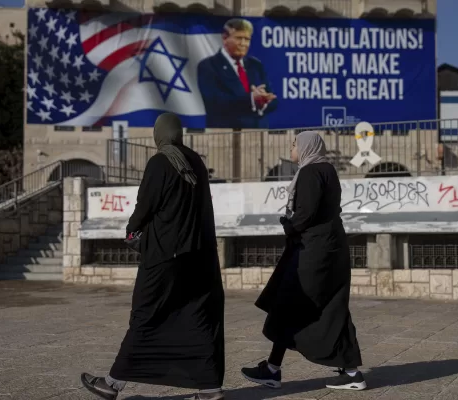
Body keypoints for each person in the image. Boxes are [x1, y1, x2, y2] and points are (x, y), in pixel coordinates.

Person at [80, 113, 225, 400]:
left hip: (164, 254)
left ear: (159, 134)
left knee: (145, 313)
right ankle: (210, 389)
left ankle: (112, 384)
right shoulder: (196, 161)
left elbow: (146, 204)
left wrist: (132, 230)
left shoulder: (161, 161)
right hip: (197, 255)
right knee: (197, 316)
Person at [240, 131, 366, 391]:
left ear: (307, 147)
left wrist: (289, 225)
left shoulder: (310, 173)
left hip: (314, 251)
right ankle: (351, 373)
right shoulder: (328, 170)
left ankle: (273, 371)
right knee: (332, 307)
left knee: (290, 302)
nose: (291, 147)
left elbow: (306, 214)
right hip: (332, 247)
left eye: (295, 144)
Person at [197, 18, 277, 129]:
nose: (243, 44)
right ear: (225, 38)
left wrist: (264, 101)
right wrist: (252, 99)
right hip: (224, 137)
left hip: (258, 136)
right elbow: (215, 102)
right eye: (239, 38)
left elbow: (273, 101)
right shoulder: (208, 65)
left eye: (247, 39)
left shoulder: (256, 65)